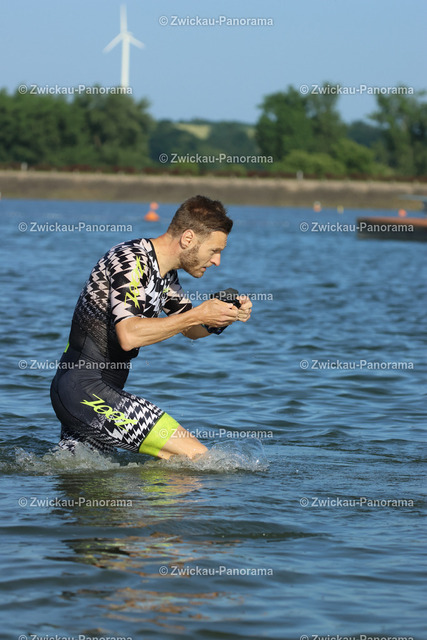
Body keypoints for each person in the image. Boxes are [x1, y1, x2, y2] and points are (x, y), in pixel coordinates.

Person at [50, 195, 252, 460]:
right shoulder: (130, 260)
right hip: (84, 390)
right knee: (200, 460)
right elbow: (129, 335)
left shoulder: (165, 274)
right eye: (214, 250)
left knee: (88, 482)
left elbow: (190, 328)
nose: (217, 261)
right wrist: (199, 313)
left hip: (93, 396)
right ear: (188, 238)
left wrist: (222, 318)